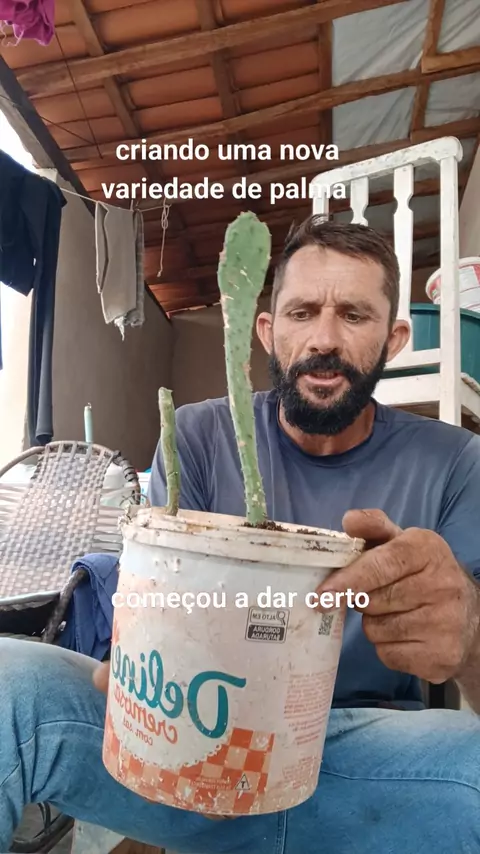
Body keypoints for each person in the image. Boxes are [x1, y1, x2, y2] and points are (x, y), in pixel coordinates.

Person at [1, 217, 480, 853]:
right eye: (302, 312)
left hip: (363, 760)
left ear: (393, 339)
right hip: (192, 727)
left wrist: (469, 634)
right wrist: (149, 643)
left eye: (354, 315)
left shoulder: (457, 462)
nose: (324, 338)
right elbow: (166, 603)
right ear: (265, 331)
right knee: (8, 682)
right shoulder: (197, 436)